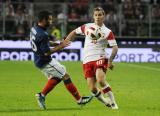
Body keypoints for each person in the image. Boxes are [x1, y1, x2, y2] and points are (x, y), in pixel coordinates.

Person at [30, 10, 92, 110]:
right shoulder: (43, 34)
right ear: (43, 20)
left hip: (38, 60)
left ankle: (41, 95)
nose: (51, 21)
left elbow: (44, 43)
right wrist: (61, 46)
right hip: (45, 61)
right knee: (65, 75)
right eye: (49, 20)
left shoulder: (34, 28)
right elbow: (47, 52)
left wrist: (58, 43)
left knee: (58, 77)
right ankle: (79, 100)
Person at [64, 7, 118, 109]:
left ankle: (113, 102)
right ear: (93, 16)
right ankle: (105, 101)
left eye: (100, 15)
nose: (98, 17)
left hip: (100, 57)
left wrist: (110, 61)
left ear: (104, 16)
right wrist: (66, 40)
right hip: (87, 60)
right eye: (96, 15)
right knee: (92, 88)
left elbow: (115, 47)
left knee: (101, 80)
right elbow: (74, 32)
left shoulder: (107, 31)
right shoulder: (87, 27)